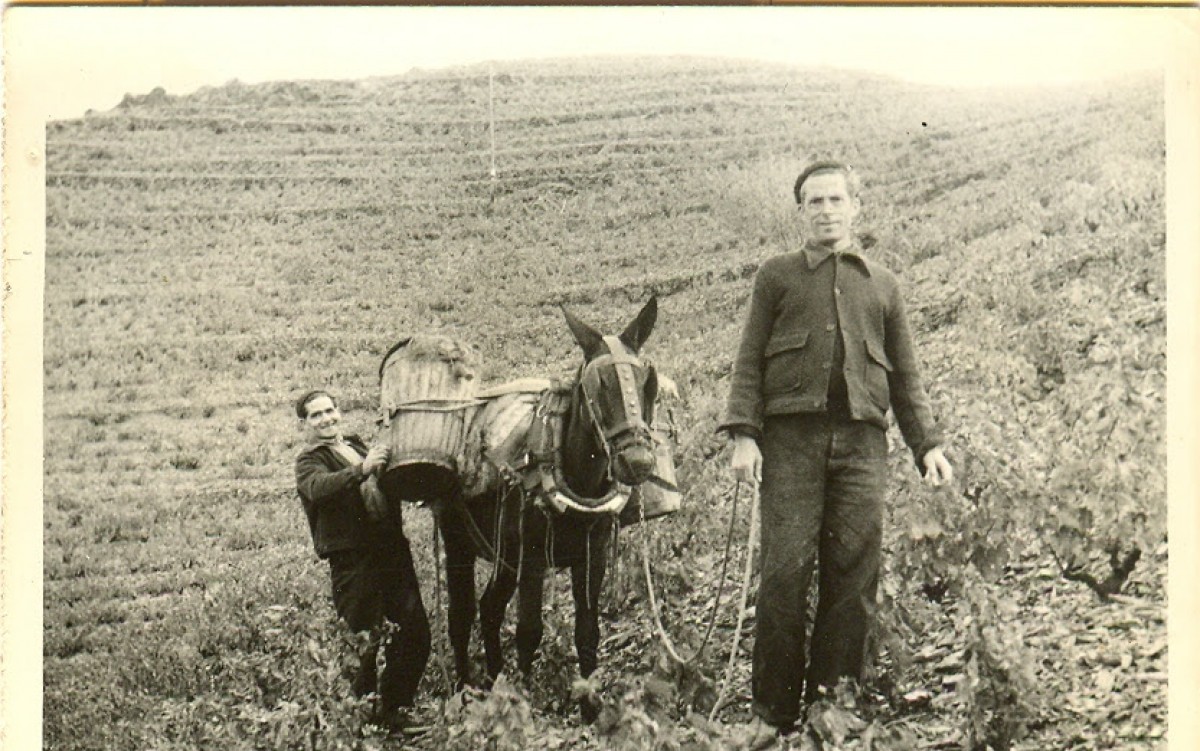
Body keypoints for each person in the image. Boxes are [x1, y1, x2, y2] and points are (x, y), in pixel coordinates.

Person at [720, 161, 953, 746]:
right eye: (814, 202)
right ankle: (771, 713)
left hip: (861, 444)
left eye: (835, 199)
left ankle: (832, 705)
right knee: (784, 574)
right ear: (801, 212)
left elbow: (908, 378)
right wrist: (745, 435)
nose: (826, 210)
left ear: (856, 207)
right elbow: (748, 360)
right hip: (791, 443)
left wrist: (928, 445)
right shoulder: (775, 278)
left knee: (854, 576)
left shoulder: (884, 285)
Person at [293, 389, 431, 735]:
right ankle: (361, 723)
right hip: (354, 560)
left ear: (339, 412)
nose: (326, 419)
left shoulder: (354, 444)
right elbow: (319, 488)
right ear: (304, 424)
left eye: (330, 410)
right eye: (316, 415)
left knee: (414, 632)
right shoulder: (309, 460)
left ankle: (395, 710)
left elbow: (384, 479)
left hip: (391, 553)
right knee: (362, 641)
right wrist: (362, 469)